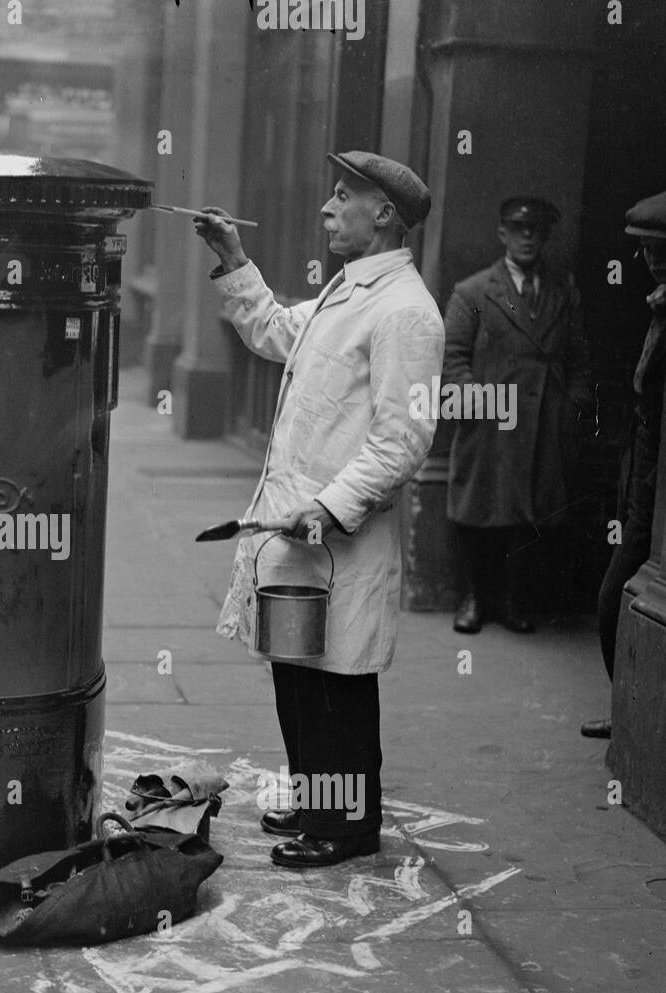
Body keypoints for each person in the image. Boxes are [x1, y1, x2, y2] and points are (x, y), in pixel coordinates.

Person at [195, 151, 444, 868]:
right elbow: (275, 330)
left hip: (336, 534)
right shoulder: (348, 291)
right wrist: (235, 260)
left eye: (343, 197)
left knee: (336, 681)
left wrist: (332, 507)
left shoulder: (405, 313)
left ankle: (345, 827)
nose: (328, 209)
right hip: (295, 532)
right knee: (298, 669)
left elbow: (405, 439)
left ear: (386, 215)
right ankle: (315, 800)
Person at [442, 197, 594, 634]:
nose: (527, 237)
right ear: (502, 234)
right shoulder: (473, 292)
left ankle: (510, 600)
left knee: (529, 516)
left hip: (544, 421)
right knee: (480, 510)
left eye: (536, 231)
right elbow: (452, 359)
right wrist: (474, 404)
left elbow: (580, 359)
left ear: (545, 237)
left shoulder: (563, 291)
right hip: (490, 422)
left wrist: (571, 407)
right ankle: (472, 598)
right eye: (518, 229)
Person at [581, 191, 666, 740]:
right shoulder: (658, 303)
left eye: (654, 249)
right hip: (642, 466)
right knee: (615, 590)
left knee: (615, 595)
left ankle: (633, 716)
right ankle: (628, 711)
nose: (644, 260)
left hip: (657, 480)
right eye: (643, 251)